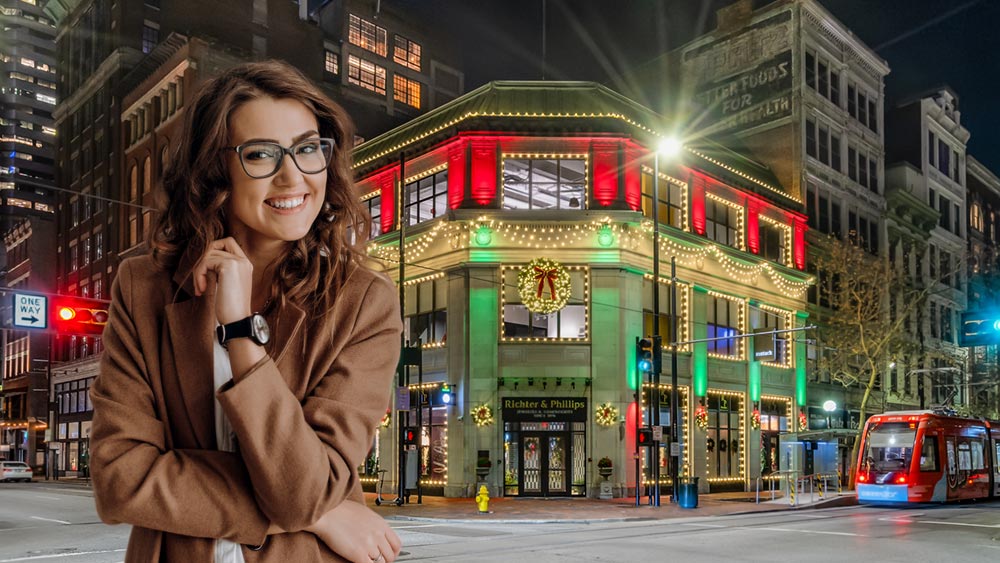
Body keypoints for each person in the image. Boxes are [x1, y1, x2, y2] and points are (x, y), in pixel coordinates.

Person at [90, 60, 403, 563]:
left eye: (307, 149)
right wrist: (322, 513)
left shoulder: (361, 303)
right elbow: (119, 478)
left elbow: (303, 492)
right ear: (216, 171)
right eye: (260, 154)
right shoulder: (144, 288)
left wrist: (239, 332)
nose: (292, 176)